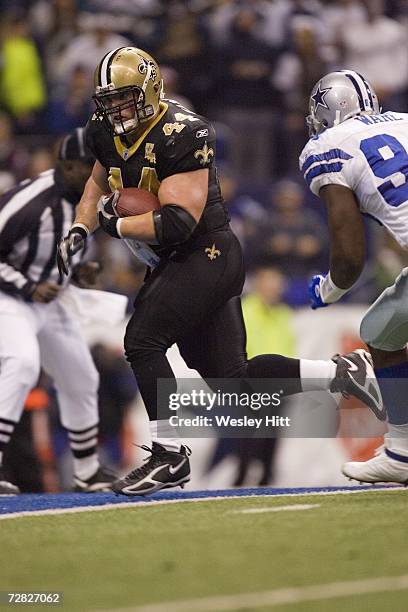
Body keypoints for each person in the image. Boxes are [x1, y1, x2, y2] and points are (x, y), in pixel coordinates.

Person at [57, 47, 382, 497]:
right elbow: (98, 181)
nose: (115, 110)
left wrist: (112, 224)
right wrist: (79, 227)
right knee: (233, 378)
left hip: (205, 252)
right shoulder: (104, 130)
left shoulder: (183, 132)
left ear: (150, 91)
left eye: (124, 99)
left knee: (142, 340)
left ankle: (169, 455)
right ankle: (341, 371)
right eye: (108, 101)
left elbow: (177, 222)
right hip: (177, 259)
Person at [301, 69, 408, 484]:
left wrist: (328, 289)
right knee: (381, 330)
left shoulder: (326, 146)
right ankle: (401, 453)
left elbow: (349, 259)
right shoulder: (403, 120)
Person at [0, 128, 116, 494]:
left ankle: (86, 471)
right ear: (67, 167)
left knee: (81, 376)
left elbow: (61, 250)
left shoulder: (93, 198)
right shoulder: (30, 202)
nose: (97, 175)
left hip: (50, 299)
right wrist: (29, 287)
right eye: (89, 167)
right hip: (11, 297)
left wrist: (78, 271)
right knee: (22, 363)